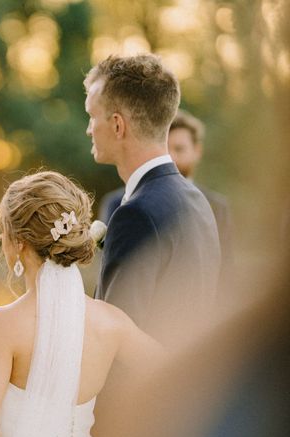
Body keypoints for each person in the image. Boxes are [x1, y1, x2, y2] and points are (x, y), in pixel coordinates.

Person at [0, 171, 163, 437]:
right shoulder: (112, 322)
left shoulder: (2, 326)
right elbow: (180, 378)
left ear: (19, 243)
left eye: (4, 231)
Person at [84, 55, 221, 343]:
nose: (89, 129)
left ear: (118, 125)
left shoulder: (136, 214)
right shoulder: (196, 200)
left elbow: (113, 342)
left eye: (92, 116)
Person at [98, 109, 233, 280]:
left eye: (179, 148)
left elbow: (225, 273)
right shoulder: (116, 203)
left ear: (197, 151)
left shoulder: (217, 207)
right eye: (166, 149)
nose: (171, 157)